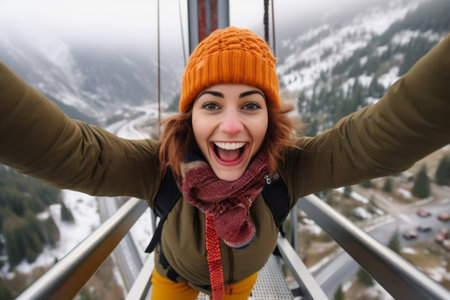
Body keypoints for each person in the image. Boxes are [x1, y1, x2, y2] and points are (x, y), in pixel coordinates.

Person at [0, 26, 449, 300]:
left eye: (250, 105)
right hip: (172, 277)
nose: (231, 127)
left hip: (237, 285)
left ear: (269, 118)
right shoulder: (158, 166)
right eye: (211, 105)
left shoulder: (287, 167)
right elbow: (72, 152)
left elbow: (373, 139)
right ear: (189, 117)